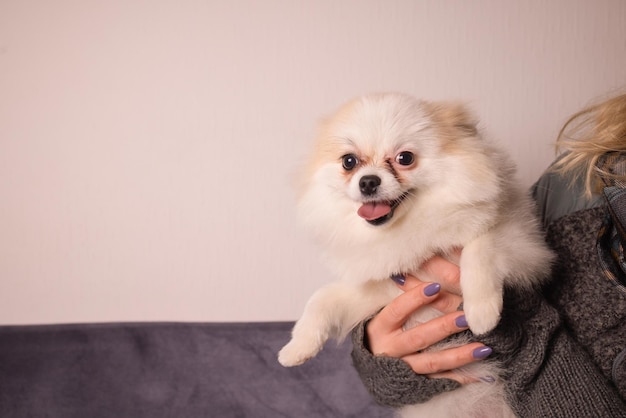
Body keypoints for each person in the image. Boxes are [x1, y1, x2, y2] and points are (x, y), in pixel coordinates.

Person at [350, 93, 626, 417]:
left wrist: (517, 328)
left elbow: (513, 310)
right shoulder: (585, 167)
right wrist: (388, 351)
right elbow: (512, 248)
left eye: (404, 158)